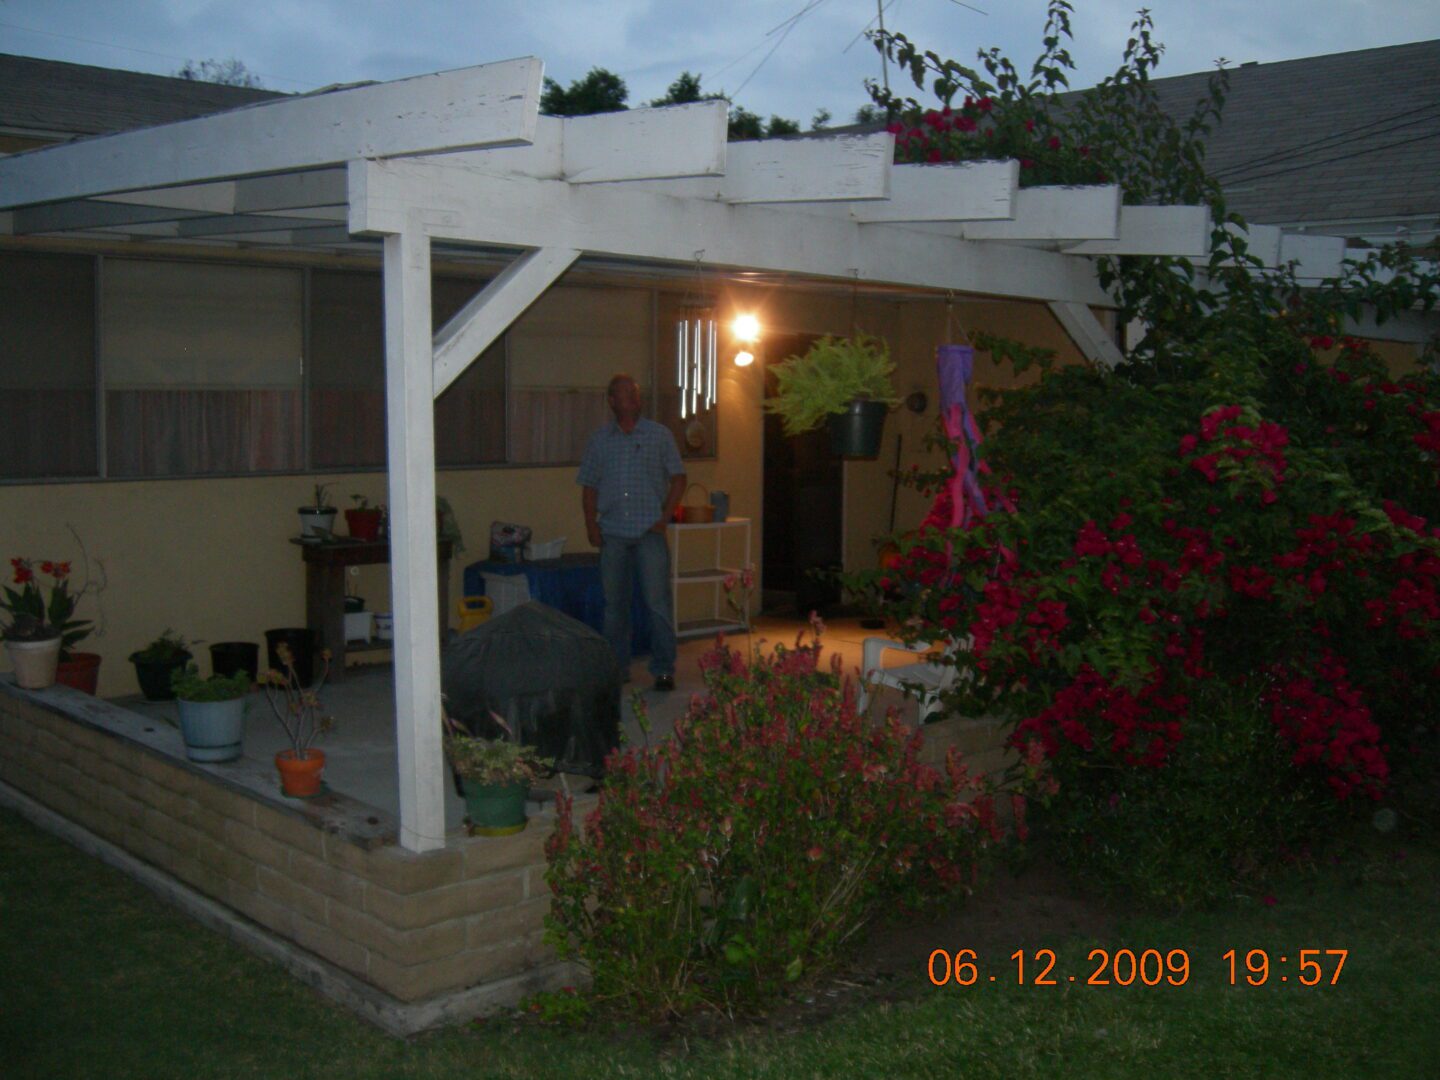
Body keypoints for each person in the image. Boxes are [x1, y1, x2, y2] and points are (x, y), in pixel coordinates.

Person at [577, 374, 687, 690]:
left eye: (636, 394)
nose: (633, 399)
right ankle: (618, 669)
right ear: (612, 401)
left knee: (658, 605)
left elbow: (678, 478)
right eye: (626, 394)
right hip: (613, 533)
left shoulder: (659, 435)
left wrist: (665, 517)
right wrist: (590, 525)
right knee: (615, 608)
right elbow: (589, 486)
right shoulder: (600, 440)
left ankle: (664, 669)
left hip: (649, 533)